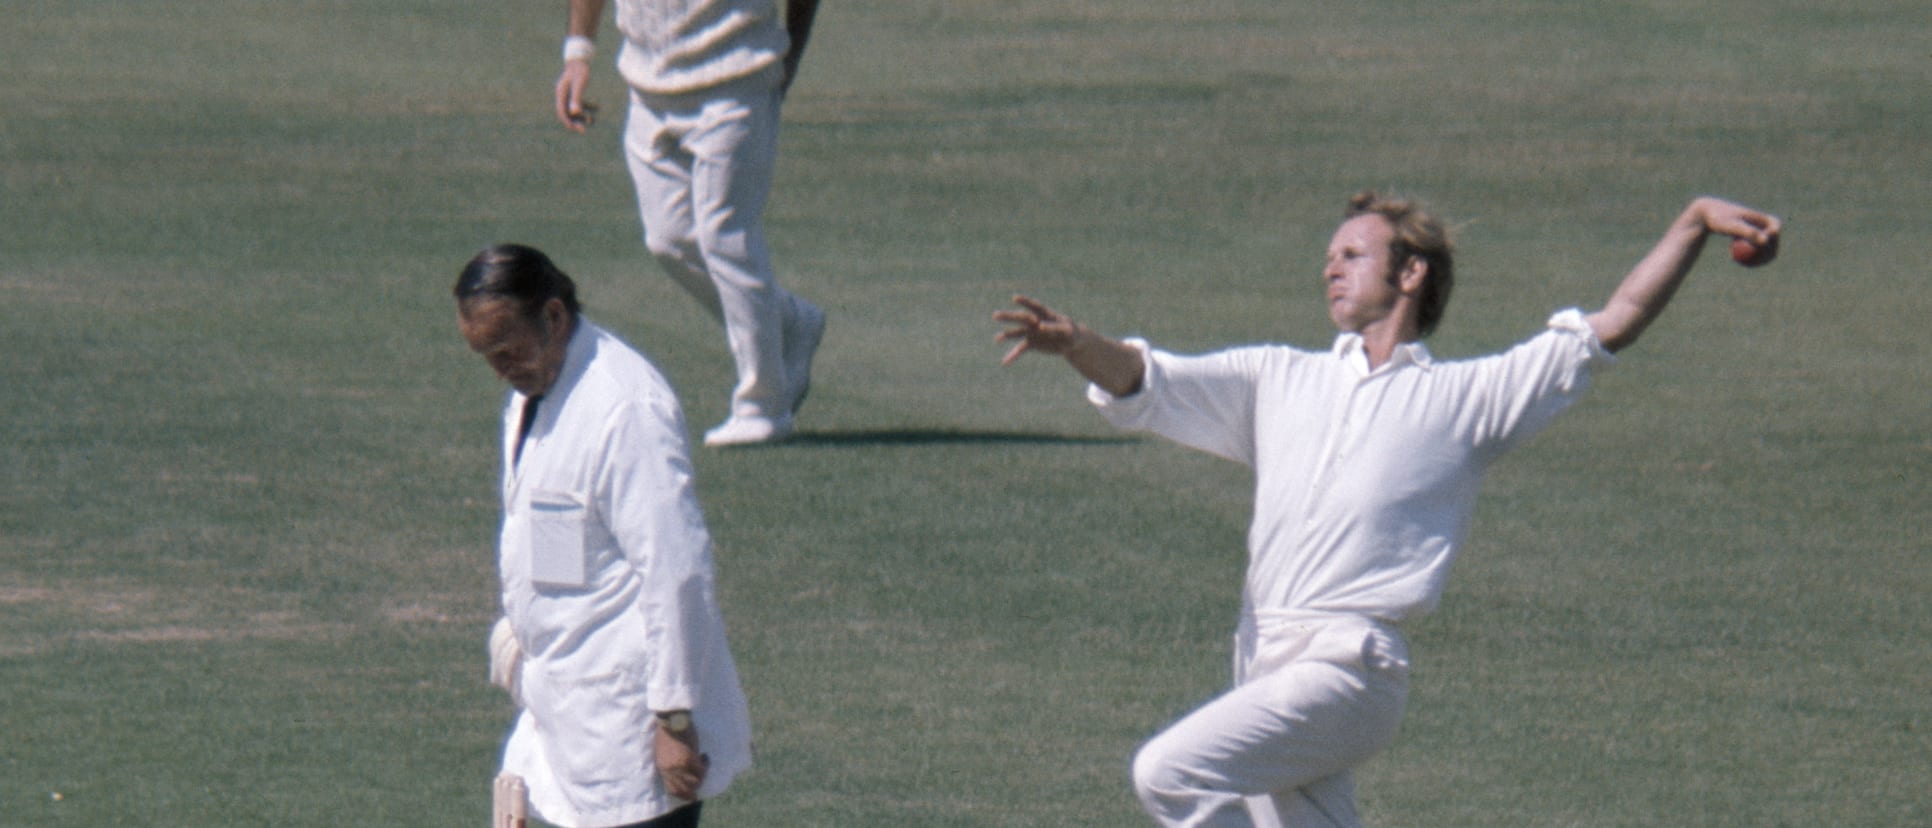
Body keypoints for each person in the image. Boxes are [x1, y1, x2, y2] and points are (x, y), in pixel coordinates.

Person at [993, 192, 1781, 827]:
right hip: (1260, 663)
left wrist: (1692, 222)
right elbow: (1147, 380)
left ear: (1409, 275)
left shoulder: (1465, 399)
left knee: (1169, 774)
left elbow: (1613, 324)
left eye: (1351, 255)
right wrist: (1079, 345)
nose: (1329, 271)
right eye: (1327, 258)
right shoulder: (1277, 378)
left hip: (1348, 669)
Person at [457, 244, 753, 828]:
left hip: (628, 732)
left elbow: (677, 569)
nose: (499, 370)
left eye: (507, 349)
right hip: (558, 711)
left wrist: (672, 718)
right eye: (484, 355)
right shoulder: (532, 397)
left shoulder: (625, 409)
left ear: (554, 317)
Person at [551, 0, 826, 447]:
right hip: (648, 82)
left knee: (725, 235)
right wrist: (578, 55)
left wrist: (787, 56)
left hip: (738, 76)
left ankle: (764, 406)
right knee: (669, 239)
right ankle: (788, 322)